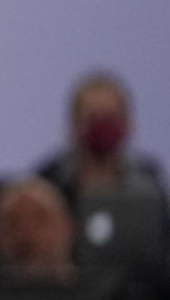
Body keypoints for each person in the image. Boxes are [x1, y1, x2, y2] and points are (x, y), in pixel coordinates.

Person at [35, 72, 169, 222]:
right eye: (93, 117)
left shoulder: (149, 181)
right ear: (74, 124)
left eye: (110, 117)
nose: (102, 125)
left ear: (127, 122)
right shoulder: (47, 183)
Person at [0, 177, 76, 282]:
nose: (26, 233)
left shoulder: (95, 291)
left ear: (67, 228)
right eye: (13, 222)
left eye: (40, 218)